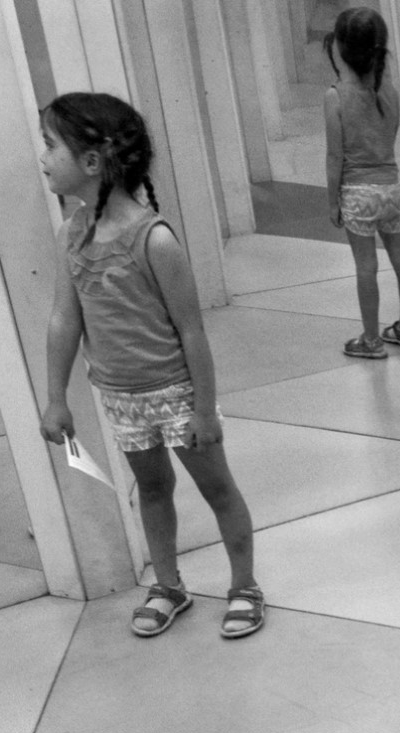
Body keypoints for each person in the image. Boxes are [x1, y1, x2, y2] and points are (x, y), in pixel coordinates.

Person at [37, 92, 264, 640]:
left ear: (92, 162)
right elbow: (65, 319)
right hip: (121, 397)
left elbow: (192, 331)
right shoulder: (72, 234)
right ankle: (168, 585)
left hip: (176, 393)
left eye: (50, 146)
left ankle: (245, 586)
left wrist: (204, 411)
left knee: (218, 489)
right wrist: (55, 396)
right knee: (153, 489)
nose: (42, 158)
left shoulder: (154, 238)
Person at [324, 5, 400, 359]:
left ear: (340, 48)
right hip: (391, 190)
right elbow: (390, 135)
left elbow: (335, 156)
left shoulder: (335, 96)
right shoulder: (390, 92)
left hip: (357, 194)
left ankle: (371, 340)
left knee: (366, 267)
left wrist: (333, 201)